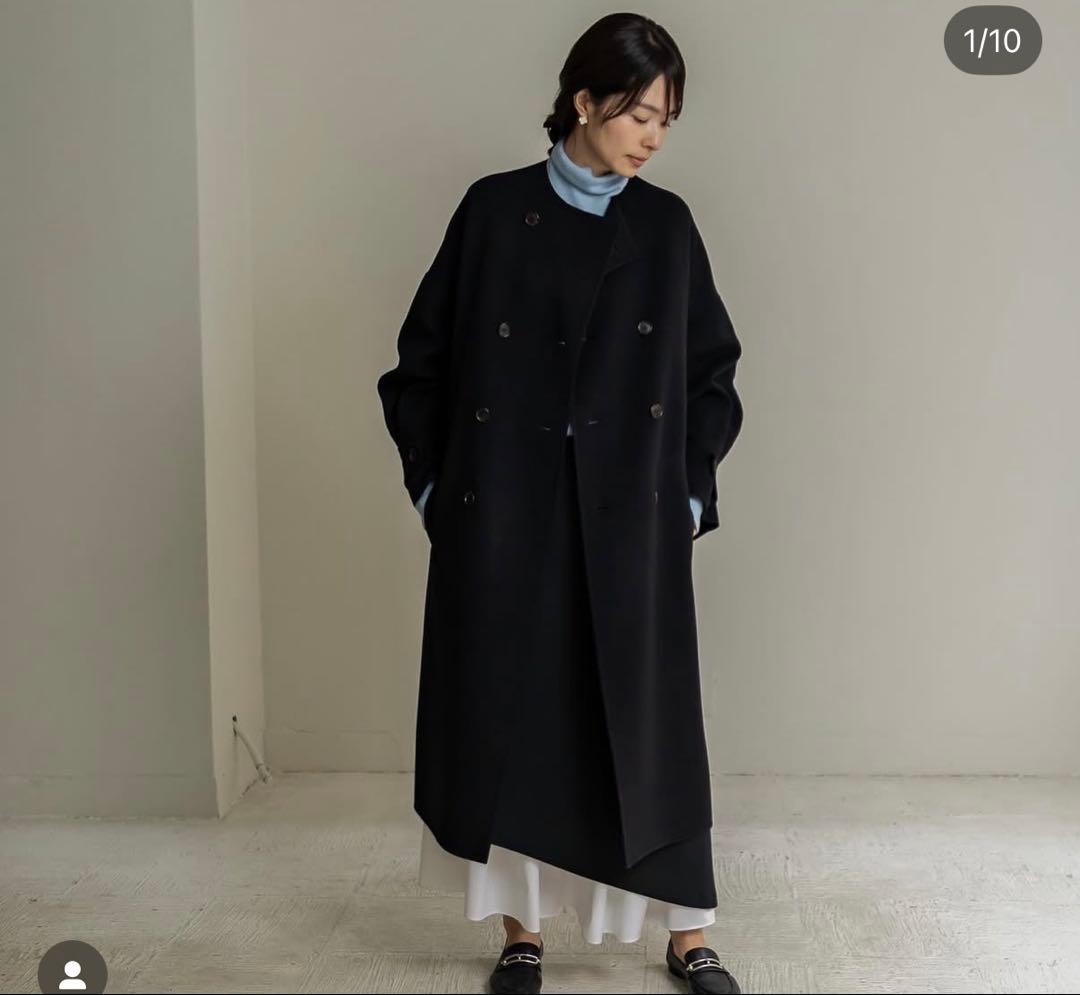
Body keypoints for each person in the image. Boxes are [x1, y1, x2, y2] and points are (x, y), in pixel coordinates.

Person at [377, 13, 744, 994]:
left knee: (649, 730)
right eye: (639, 115)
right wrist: (440, 493)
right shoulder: (494, 212)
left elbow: (711, 373)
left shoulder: (665, 226)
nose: (653, 138)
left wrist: (687, 497)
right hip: (511, 521)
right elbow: (419, 367)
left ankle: (689, 933)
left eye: (666, 121)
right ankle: (522, 933)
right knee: (516, 727)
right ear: (584, 101)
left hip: (631, 523)